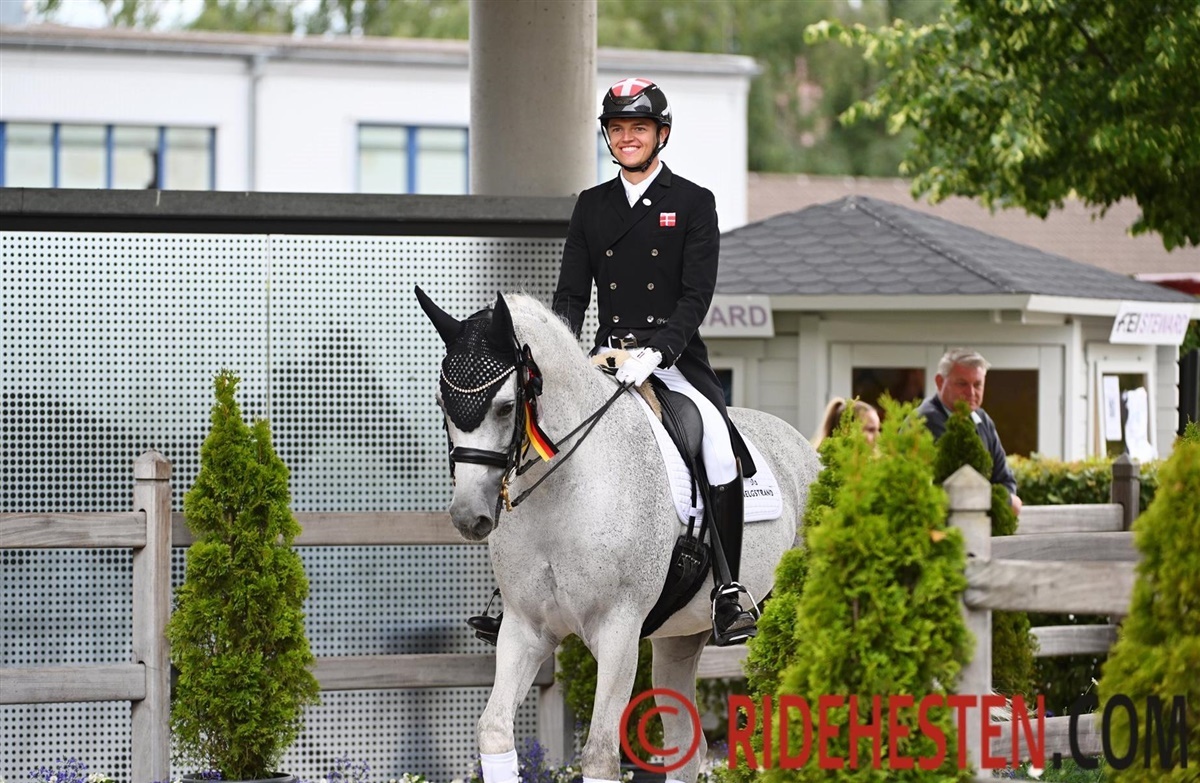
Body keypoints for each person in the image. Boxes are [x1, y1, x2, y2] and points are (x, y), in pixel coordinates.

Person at [551, 77, 759, 646]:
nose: (627, 138)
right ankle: (524, 592)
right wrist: (563, 354)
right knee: (544, 433)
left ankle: (728, 589)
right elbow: (571, 295)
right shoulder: (591, 205)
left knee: (717, 447)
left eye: (638, 128)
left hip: (672, 360)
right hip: (605, 357)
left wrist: (658, 350)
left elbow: (696, 297)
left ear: (660, 135)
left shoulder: (692, 202)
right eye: (617, 129)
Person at [917, 348, 1023, 514]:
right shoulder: (925, 421)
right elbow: (958, 486)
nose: (971, 392)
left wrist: (1004, 501)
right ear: (939, 382)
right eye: (962, 384)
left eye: (977, 384)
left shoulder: (982, 419)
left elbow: (1005, 479)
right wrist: (1007, 502)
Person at [812, 397, 881, 447]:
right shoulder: (825, 461)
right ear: (847, 430)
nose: (878, 437)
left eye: (878, 430)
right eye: (871, 430)